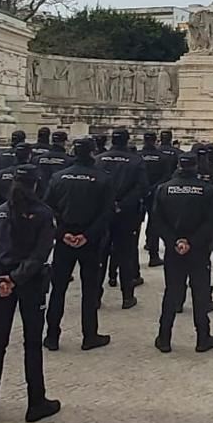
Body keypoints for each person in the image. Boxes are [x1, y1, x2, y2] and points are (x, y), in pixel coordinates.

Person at [0, 165, 60, 422]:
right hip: (29, 284)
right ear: (36, 185)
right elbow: (39, 254)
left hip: (1, 286)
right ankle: (36, 402)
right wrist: (15, 278)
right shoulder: (44, 215)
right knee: (32, 344)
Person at [43, 137, 114, 352]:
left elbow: (48, 209)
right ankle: (89, 335)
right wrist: (88, 235)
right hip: (90, 241)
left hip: (65, 238)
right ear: (93, 153)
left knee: (58, 289)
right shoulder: (103, 178)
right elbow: (107, 212)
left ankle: (52, 335)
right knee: (89, 289)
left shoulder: (58, 177)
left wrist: (62, 233)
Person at [150, 151, 213, 354]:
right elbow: (211, 222)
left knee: (171, 292)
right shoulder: (207, 190)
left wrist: (175, 241)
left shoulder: (163, 189)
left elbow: (157, 221)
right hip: (198, 249)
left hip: (174, 249)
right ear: (196, 167)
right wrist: (192, 242)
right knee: (200, 294)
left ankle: (164, 338)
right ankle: (202, 337)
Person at [95, 129, 149, 308]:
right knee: (125, 254)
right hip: (126, 214)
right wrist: (122, 204)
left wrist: (106, 204)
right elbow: (142, 187)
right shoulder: (135, 161)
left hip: (102, 213)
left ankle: (96, 296)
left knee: (100, 254)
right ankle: (127, 296)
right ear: (127, 141)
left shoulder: (99, 159)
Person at [138, 131, 175, 268]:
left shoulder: (137, 156)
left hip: (139, 194)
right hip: (156, 193)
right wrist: (153, 188)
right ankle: (153, 255)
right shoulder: (162, 157)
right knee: (155, 223)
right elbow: (167, 176)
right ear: (155, 140)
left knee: (135, 226)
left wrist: (144, 189)